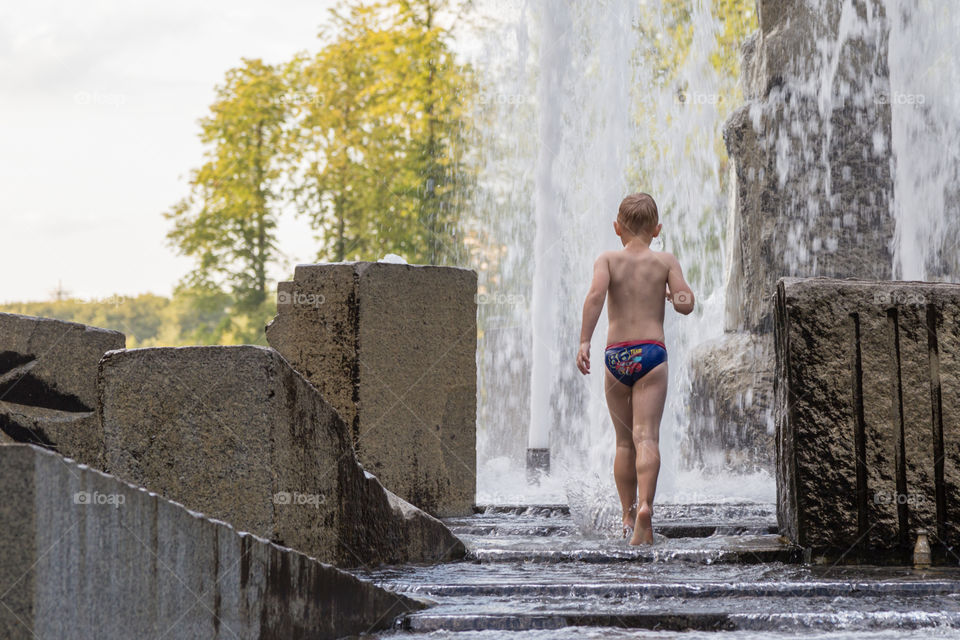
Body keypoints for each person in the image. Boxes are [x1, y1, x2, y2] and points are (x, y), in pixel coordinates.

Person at [575, 192, 694, 545]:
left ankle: (627, 516)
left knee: (624, 442)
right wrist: (676, 297)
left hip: (617, 357)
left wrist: (584, 341)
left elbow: (595, 297)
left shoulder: (607, 260)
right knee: (647, 437)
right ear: (656, 230)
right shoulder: (665, 261)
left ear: (617, 228)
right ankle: (645, 507)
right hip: (651, 355)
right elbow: (686, 303)